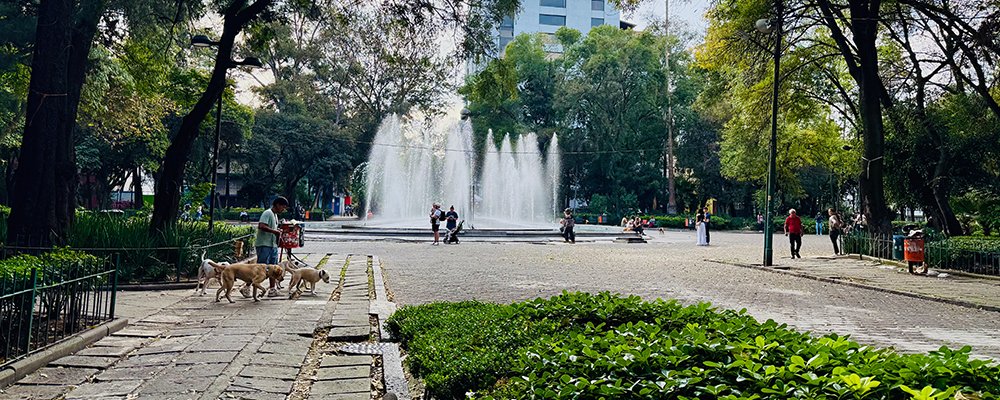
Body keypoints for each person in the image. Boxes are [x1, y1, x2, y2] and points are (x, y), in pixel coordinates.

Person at [255, 196, 288, 297]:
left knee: (273, 268)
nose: (283, 209)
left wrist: (278, 231)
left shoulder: (275, 215)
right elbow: (261, 225)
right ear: (277, 205)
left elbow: (272, 228)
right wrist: (275, 232)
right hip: (264, 244)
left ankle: (272, 289)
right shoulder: (267, 213)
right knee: (260, 268)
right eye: (283, 207)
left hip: (272, 245)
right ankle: (248, 287)